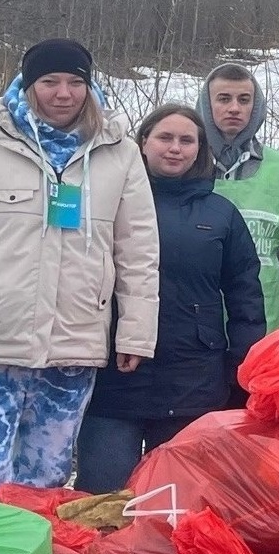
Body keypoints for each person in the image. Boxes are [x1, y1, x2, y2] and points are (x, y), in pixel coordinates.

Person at [0, 38, 158, 503]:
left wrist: (135, 334)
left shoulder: (119, 152)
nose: (63, 93)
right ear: (27, 85)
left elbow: (138, 251)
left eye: (75, 82)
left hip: (74, 340)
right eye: (49, 82)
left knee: (45, 480)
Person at [75, 106, 265, 491]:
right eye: (165, 138)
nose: (175, 148)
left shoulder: (221, 213)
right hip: (115, 380)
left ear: (200, 150)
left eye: (186, 140)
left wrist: (242, 367)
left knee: (178, 505)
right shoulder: (106, 202)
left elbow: (246, 295)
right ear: (143, 143)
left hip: (193, 379)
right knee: (103, 502)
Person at [201, 61, 279, 331]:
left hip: (262, 321)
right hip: (196, 327)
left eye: (244, 100)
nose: (235, 108)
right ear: (206, 105)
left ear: (255, 106)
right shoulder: (185, 165)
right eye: (224, 99)